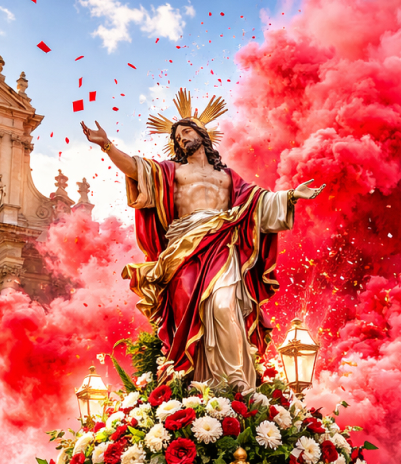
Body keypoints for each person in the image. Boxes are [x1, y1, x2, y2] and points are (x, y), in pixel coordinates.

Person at [81, 98, 324, 387]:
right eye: (177, 137)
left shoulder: (228, 178)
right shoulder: (172, 172)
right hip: (182, 250)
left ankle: (237, 382)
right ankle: (199, 382)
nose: (182, 139)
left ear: (202, 135)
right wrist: (107, 145)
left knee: (224, 305)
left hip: (222, 245)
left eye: (187, 132)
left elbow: (259, 202)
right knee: (189, 314)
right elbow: (135, 169)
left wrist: (293, 196)